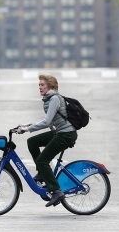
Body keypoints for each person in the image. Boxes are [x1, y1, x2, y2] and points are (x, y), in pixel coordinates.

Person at [15, 74, 77, 207]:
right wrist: (27, 125)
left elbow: (47, 121)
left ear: (51, 86)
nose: (40, 87)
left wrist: (27, 129)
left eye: (42, 85)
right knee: (32, 142)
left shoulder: (54, 98)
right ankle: (42, 174)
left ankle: (56, 191)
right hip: (59, 132)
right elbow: (49, 122)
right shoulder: (49, 99)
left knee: (42, 160)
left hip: (66, 134)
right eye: (39, 85)